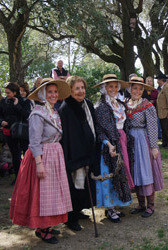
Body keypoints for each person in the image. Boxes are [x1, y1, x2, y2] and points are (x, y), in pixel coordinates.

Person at [9, 78, 73, 244]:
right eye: (49, 92)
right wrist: (39, 164)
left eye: (55, 92)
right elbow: (34, 141)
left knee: (53, 194)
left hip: (55, 154)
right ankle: (42, 228)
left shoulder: (54, 111)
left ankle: (48, 224)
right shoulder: (37, 113)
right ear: (43, 94)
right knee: (43, 194)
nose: (53, 95)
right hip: (42, 155)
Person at [58, 76, 98, 231]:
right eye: (77, 88)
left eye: (82, 88)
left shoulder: (87, 104)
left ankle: (79, 209)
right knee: (74, 185)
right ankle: (70, 217)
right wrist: (78, 155)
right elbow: (68, 135)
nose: (81, 91)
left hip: (89, 151)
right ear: (70, 90)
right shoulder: (66, 108)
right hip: (75, 154)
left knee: (84, 185)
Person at [93, 74, 133, 223]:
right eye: (110, 86)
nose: (113, 89)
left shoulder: (119, 103)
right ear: (104, 88)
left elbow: (125, 123)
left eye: (116, 86)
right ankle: (109, 208)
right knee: (110, 174)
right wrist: (109, 144)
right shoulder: (102, 107)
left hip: (121, 139)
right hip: (109, 144)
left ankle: (115, 205)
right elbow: (101, 129)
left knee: (120, 173)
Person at [125, 76, 164, 218]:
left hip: (143, 140)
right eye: (135, 88)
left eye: (140, 89)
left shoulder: (147, 105)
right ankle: (141, 204)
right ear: (130, 89)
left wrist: (154, 147)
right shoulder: (125, 104)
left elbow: (152, 127)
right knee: (135, 172)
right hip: (130, 141)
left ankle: (150, 205)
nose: (137, 91)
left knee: (145, 172)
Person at [0, 82, 31, 179]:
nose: (7, 95)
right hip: (8, 131)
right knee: (15, 154)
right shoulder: (3, 101)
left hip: (21, 131)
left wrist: (17, 105)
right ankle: (18, 177)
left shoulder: (24, 101)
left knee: (25, 153)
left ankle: (28, 175)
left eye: (8, 93)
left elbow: (26, 115)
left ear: (14, 92)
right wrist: (1, 122)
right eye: (6, 93)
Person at [156, 73, 168, 149]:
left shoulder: (167, 87)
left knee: (167, 129)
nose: (157, 81)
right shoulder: (162, 88)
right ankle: (164, 143)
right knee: (163, 129)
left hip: (166, 112)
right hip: (161, 113)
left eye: (158, 80)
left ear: (161, 80)